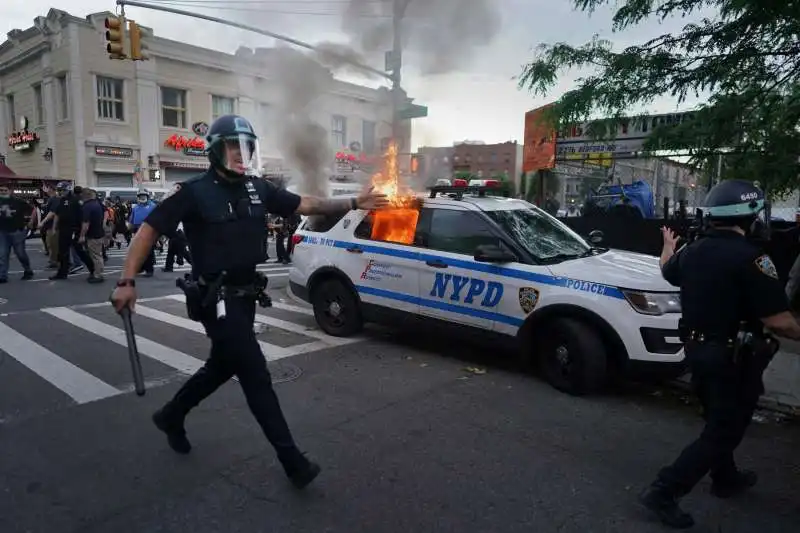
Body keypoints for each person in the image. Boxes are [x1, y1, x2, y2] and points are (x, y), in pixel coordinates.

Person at [110, 114, 388, 489]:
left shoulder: (258, 187)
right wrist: (127, 280)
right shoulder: (193, 192)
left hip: (245, 297)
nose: (242, 154)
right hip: (215, 299)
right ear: (214, 151)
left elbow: (306, 203)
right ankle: (293, 461)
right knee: (254, 372)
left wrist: (354, 200)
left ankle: (172, 414)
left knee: (223, 365)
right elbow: (148, 231)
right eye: (233, 146)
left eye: (248, 146)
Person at [639, 180, 800, 529]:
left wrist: (668, 245)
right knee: (724, 431)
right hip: (731, 360)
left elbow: (668, 270)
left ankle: (725, 478)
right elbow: (780, 322)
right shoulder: (752, 259)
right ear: (748, 219)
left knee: (718, 419)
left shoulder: (692, 251)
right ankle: (664, 490)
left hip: (697, 352)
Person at [0, 182, 35, 282]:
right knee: (2, 254)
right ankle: (2, 275)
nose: (2, 192)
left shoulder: (18, 201)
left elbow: (33, 209)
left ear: (10, 191)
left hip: (17, 231)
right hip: (2, 231)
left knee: (20, 253)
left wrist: (31, 221)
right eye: (1, 190)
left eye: (5, 190)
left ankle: (28, 270)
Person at [128, 189, 157, 277]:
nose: (142, 197)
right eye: (140, 196)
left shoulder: (153, 206)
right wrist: (130, 230)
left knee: (148, 251)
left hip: (149, 230)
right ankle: (141, 268)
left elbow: (158, 219)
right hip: (138, 230)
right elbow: (131, 220)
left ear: (147, 197)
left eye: (144, 196)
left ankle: (149, 270)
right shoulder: (135, 207)